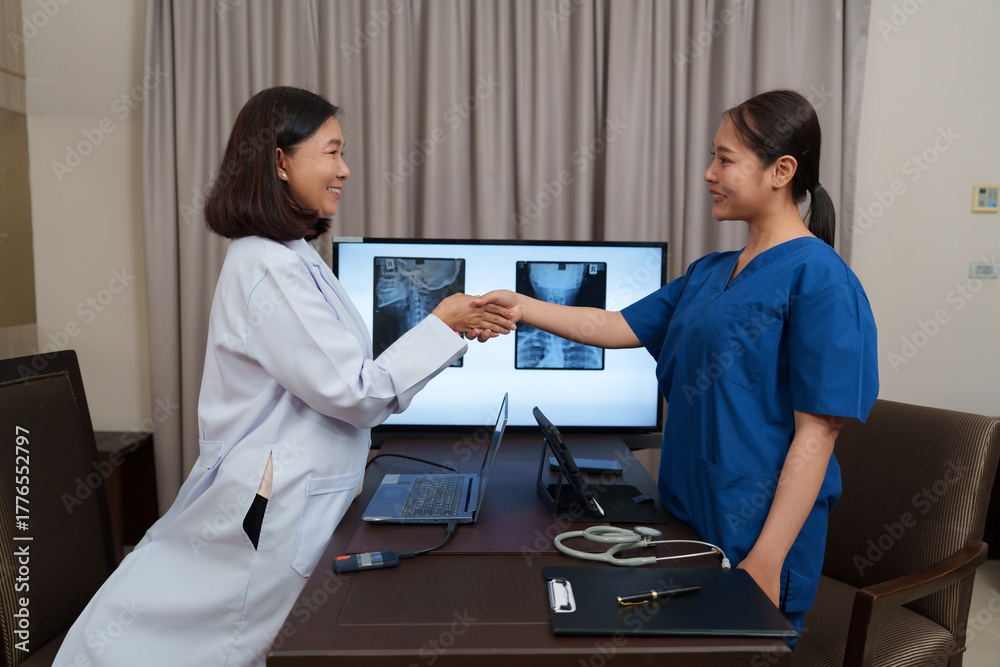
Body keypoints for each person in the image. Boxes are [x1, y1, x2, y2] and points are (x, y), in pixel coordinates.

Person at [54, 86, 514, 667]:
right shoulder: (267, 264)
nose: (344, 169)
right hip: (269, 507)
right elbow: (356, 392)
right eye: (331, 152)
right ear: (279, 160)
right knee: (205, 644)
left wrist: (446, 331)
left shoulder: (290, 254)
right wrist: (443, 321)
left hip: (292, 496)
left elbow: (345, 382)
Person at [474, 89, 878, 645]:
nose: (709, 173)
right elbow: (616, 327)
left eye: (725, 159)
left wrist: (764, 561)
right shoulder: (711, 272)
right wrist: (523, 307)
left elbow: (818, 435)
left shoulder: (822, 280)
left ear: (781, 170)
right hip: (684, 520)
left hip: (754, 535)